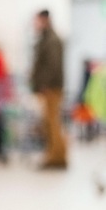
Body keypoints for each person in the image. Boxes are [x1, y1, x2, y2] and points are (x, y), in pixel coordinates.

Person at [29, 9, 67, 169]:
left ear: (45, 20)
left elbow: (53, 65)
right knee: (48, 123)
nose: (34, 24)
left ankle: (57, 157)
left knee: (52, 123)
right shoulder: (46, 38)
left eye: (36, 20)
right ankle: (53, 155)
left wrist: (46, 85)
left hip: (51, 88)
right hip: (48, 87)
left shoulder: (51, 40)